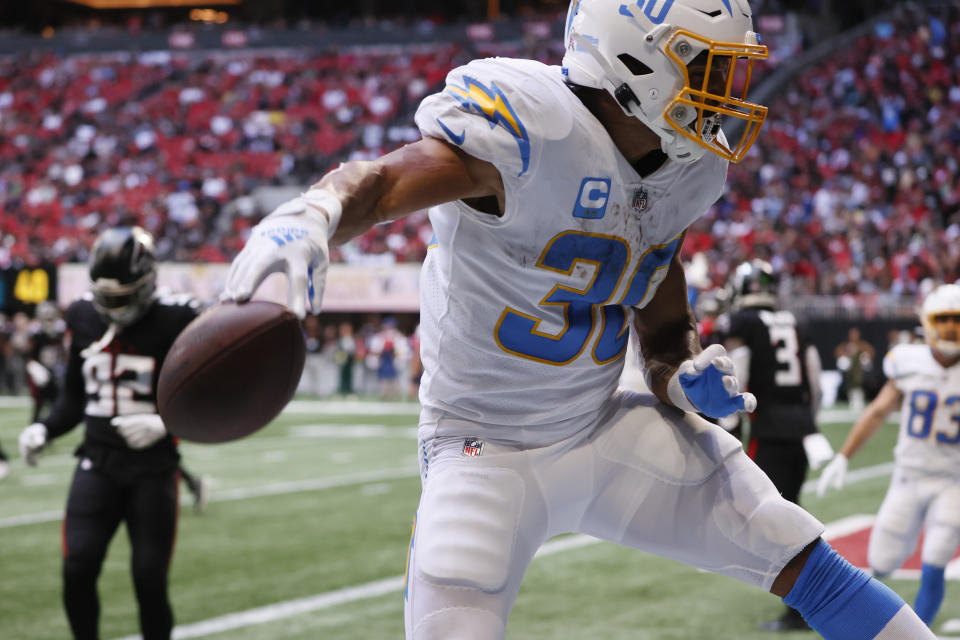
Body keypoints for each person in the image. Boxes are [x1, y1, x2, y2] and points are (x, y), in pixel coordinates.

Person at [222, 1, 936, 638]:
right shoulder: (535, 127)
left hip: (601, 427)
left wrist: (681, 377)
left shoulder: (682, 173)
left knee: (799, 552)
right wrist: (307, 219)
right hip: (483, 450)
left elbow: (659, 325)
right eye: (710, 70)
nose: (727, 93)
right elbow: (379, 185)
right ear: (639, 61)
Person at [17, 226, 201, 640]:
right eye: (104, 297)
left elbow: (208, 398)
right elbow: (75, 396)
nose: (109, 308)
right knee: (77, 567)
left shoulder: (178, 317)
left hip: (153, 469)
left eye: (119, 297)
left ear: (146, 283)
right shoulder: (83, 314)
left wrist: (166, 423)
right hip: (97, 461)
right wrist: (44, 428)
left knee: (149, 580)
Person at [818, 283, 960, 629]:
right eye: (943, 319)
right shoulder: (908, 361)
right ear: (927, 322)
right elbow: (878, 411)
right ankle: (871, 620)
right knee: (882, 558)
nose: (951, 328)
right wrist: (844, 456)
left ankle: (919, 632)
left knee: (936, 556)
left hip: (954, 480)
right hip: (909, 476)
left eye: (956, 320)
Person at [720, 259, 834, 632]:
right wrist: (806, 420)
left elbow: (738, 379)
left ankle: (802, 607)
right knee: (789, 517)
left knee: (777, 526)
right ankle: (803, 604)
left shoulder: (745, 324)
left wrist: (729, 427)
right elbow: (814, 381)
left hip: (768, 431)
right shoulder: (795, 321)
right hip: (799, 432)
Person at [835, 326, 876, 412]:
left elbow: (871, 352)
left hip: (859, 372)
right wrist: (846, 352)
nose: (854, 336)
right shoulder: (846, 345)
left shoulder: (862, 345)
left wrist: (860, 350)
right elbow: (837, 352)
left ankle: (859, 399)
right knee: (843, 362)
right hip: (849, 373)